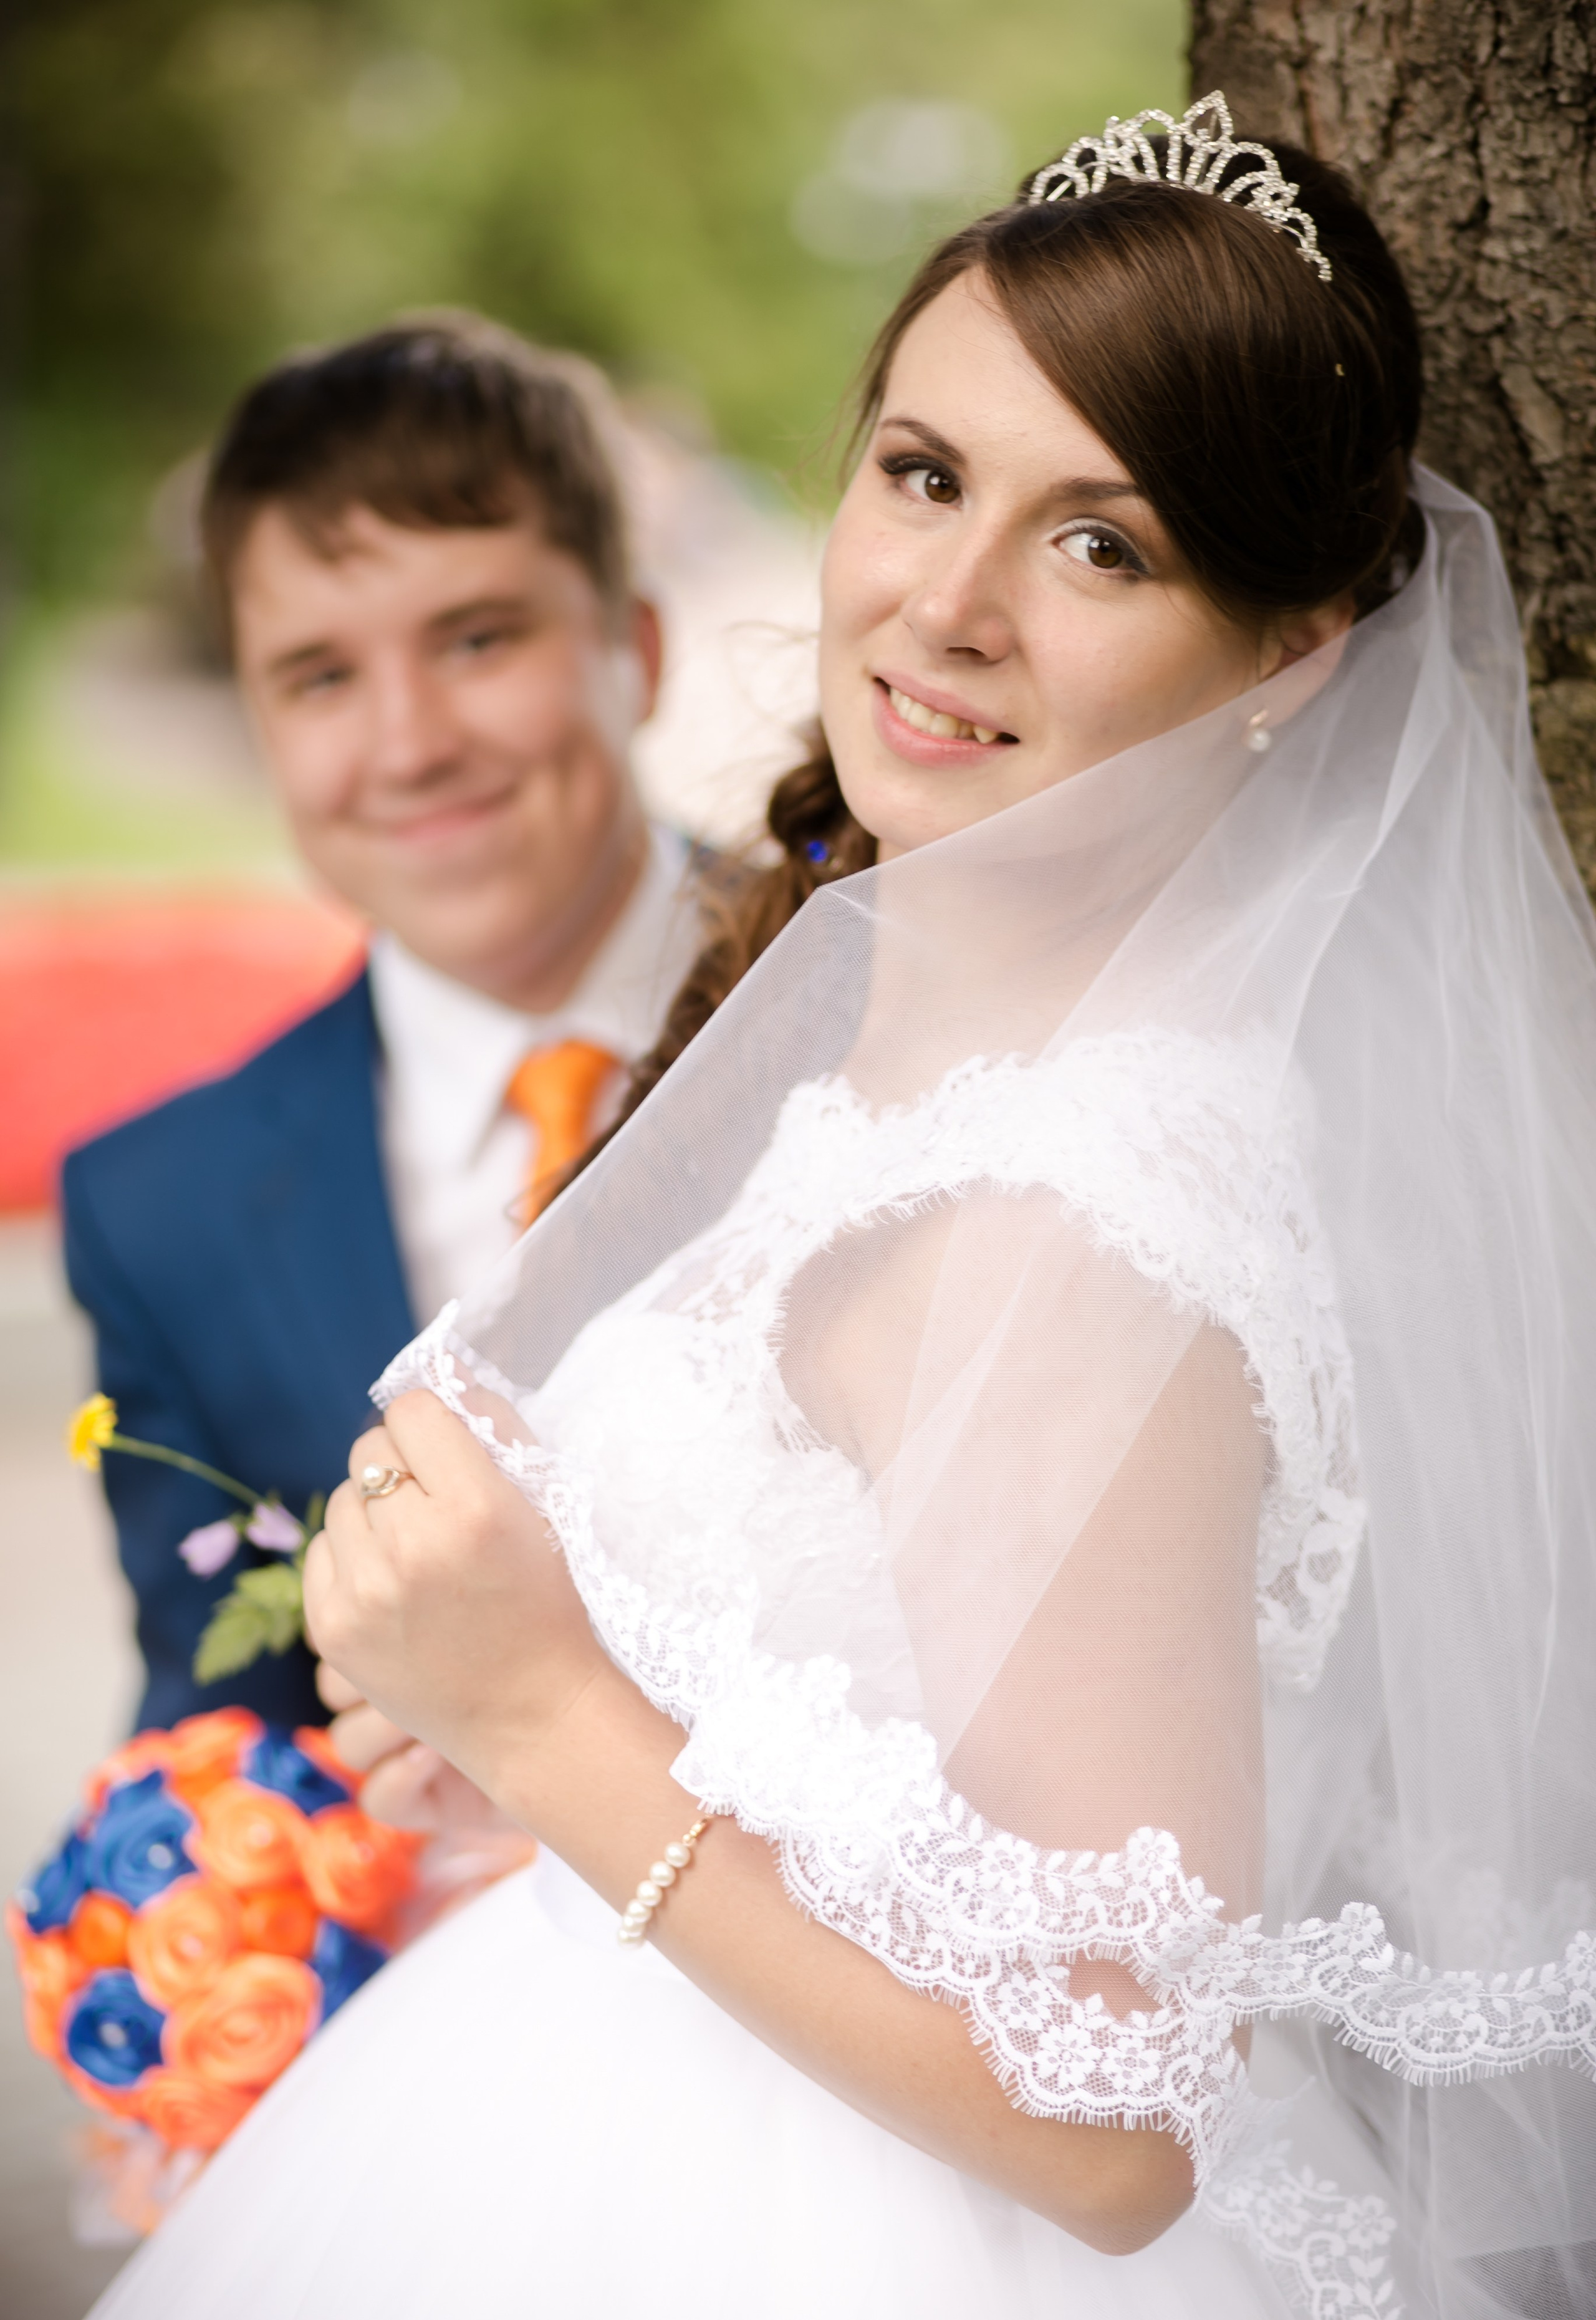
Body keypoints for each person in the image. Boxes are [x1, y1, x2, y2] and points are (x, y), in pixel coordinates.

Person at [87, 99, 1596, 2318]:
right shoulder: (897, 1033)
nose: (948, 606)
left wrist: (544, 1721)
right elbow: (891, 1731)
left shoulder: (1094, 1214)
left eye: (1106, 546)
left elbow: (1111, 2130)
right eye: (924, 473)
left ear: (1290, 654)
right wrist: (545, 1695)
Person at [61, 315, 703, 1735]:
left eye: (476, 638)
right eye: (323, 678)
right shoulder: (161, 1211)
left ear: (634, 649)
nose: (409, 742)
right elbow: (221, 1745)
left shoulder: (895, 989)